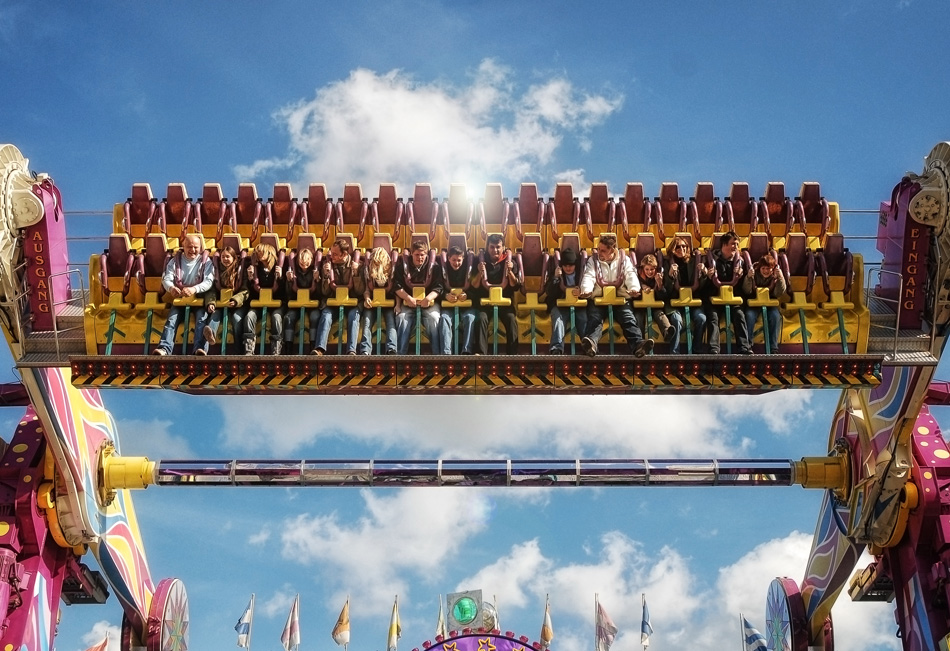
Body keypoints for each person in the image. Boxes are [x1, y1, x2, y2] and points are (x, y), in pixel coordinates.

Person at [578, 233, 653, 357]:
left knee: (628, 318)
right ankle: (591, 344)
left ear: (612, 250)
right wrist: (586, 290)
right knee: (595, 318)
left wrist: (634, 288)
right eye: (598, 249)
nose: (599, 252)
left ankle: (638, 345)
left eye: (603, 250)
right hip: (599, 298)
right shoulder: (593, 260)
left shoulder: (624, 260)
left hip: (620, 298)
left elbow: (630, 274)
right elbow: (589, 275)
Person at [152, 233, 215, 355]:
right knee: (172, 319)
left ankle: (200, 349)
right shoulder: (174, 261)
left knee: (202, 319)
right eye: (189, 247)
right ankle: (164, 348)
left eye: (196, 247)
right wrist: (171, 288)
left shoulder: (206, 261)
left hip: (198, 299)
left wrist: (194, 289)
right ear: (184, 246)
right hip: (180, 299)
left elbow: (209, 281)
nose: (192, 250)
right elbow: (167, 278)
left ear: (200, 247)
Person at [470, 233, 521, 355]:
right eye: (492, 247)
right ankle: (481, 354)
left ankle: (512, 355)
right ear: (487, 247)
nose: (495, 250)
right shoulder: (480, 262)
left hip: (504, 302)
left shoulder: (510, 262)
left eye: (498, 247)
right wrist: (479, 272)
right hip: (485, 302)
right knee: (481, 318)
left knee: (511, 319)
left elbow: (515, 286)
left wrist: (510, 272)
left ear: (503, 247)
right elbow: (474, 286)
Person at [704, 230, 751, 354]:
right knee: (713, 317)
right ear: (724, 245)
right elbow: (703, 285)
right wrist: (707, 277)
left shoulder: (740, 261)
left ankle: (744, 347)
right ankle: (714, 349)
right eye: (733, 244)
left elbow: (745, 287)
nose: (735, 247)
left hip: (733, 297)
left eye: (737, 244)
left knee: (739, 315)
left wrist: (743, 276)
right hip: (715, 297)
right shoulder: (711, 260)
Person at [313, 238, 363, 355]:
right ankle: (319, 348)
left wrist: (356, 274)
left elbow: (360, 291)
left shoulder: (358, 265)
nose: (332, 257)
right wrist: (325, 276)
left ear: (344, 254)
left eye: (335, 254)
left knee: (353, 317)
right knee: (326, 315)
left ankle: (351, 350)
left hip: (352, 302)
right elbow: (324, 293)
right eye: (331, 253)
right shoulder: (328, 265)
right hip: (333, 302)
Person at [394, 241, 443, 354]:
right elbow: (397, 286)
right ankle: (401, 355)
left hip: (428, 303)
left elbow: (439, 287)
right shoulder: (402, 267)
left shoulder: (434, 267)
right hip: (408, 303)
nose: (420, 257)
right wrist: (408, 298)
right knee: (402, 319)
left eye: (422, 255)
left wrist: (428, 298)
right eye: (417, 254)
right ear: (412, 254)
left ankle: (436, 355)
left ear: (426, 254)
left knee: (434, 319)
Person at [200, 244, 248, 355]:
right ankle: (210, 333)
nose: (225, 259)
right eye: (223, 257)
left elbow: (245, 290)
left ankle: (238, 350)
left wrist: (236, 300)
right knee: (215, 315)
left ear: (233, 258)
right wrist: (211, 303)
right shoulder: (216, 271)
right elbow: (211, 290)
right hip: (221, 303)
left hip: (237, 304)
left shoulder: (240, 271)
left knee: (236, 319)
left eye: (228, 257)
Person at [663, 235, 707, 355]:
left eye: (684, 246)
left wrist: (703, 275)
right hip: (674, 301)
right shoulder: (667, 263)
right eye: (678, 246)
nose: (681, 249)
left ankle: (697, 350)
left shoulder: (694, 262)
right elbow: (665, 290)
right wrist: (670, 276)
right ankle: (674, 353)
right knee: (677, 320)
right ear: (673, 248)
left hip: (692, 300)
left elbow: (702, 288)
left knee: (701, 319)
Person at [243, 243, 285, 355]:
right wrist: (251, 279)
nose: (258, 254)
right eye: (257, 252)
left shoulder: (279, 266)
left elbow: (286, 290)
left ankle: (276, 349)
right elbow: (250, 290)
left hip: (276, 302)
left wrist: (280, 278)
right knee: (249, 317)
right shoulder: (255, 267)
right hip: (259, 302)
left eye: (261, 251)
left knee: (276, 317)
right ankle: (249, 349)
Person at [544, 247, 587, 354]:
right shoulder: (556, 275)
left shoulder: (581, 276)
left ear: (575, 265)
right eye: (565, 266)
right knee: (558, 319)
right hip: (560, 305)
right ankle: (557, 348)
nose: (568, 268)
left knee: (583, 319)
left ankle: (587, 345)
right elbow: (549, 292)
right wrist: (555, 278)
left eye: (571, 266)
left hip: (577, 304)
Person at [742, 252, 786, 354]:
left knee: (775, 316)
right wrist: (748, 278)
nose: (766, 271)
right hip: (754, 303)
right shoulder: (754, 275)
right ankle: (748, 345)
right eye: (763, 269)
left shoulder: (774, 277)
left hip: (769, 303)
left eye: (768, 269)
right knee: (749, 316)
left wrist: (780, 278)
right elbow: (746, 290)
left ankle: (773, 347)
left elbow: (779, 292)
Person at [438, 245, 479, 355]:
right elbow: (437, 287)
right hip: (448, 305)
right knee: (444, 318)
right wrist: (445, 295)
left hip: (466, 305)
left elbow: (477, 289)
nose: (456, 263)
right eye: (454, 260)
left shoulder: (470, 270)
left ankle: (466, 351)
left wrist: (467, 295)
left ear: (463, 259)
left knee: (470, 318)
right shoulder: (442, 269)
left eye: (459, 260)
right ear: (449, 258)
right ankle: (446, 353)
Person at [282, 247, 322, 353]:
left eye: (307, 261)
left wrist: (318, 280)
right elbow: (288, 293)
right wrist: (289, 281)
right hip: (296, 303)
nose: (304, 264)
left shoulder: (316, 271)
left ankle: (313, 346)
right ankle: (288, 348)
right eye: (301, 261)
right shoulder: (294, 271)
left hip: (312, 303)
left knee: (314, 317)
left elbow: (320, 293)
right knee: (289, 318)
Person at [359, 246, 398, 354]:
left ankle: (391, 348)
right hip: (373, 302)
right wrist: (367, 299)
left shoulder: (391, 272)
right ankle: (365, 350)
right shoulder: (369, 271)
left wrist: (397, 304)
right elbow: (366, 289)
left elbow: (396, 290)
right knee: (367, 322)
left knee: (391, 322)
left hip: (388, 303)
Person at [631, 253, 675, 347]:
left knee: (660, 315)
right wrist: (641, 288)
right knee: (639, 317)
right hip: (641, 305)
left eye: (652, 269)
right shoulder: (637, 277)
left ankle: (667, 331)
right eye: (647, 269)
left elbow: (663, 296)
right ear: (643, 268)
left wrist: (659, 285)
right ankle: (640, 341)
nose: (649, 272)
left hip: (655, 305)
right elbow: (634, 292)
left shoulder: (659, 277)